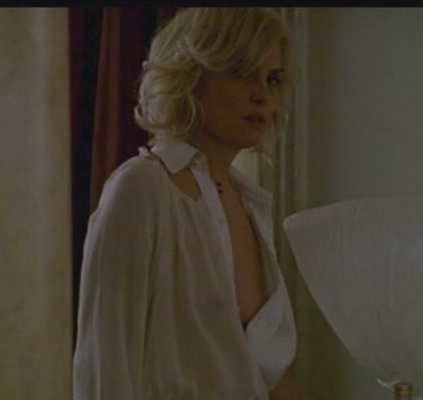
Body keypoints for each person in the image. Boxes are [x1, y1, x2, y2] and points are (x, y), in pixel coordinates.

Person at [73, 8, 312, 400]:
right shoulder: (141, 189)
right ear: (191, 77)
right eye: (241, 72)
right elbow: (104, 370)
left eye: (272, 79)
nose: (262, 95)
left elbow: (262, 376)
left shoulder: (250, 203)